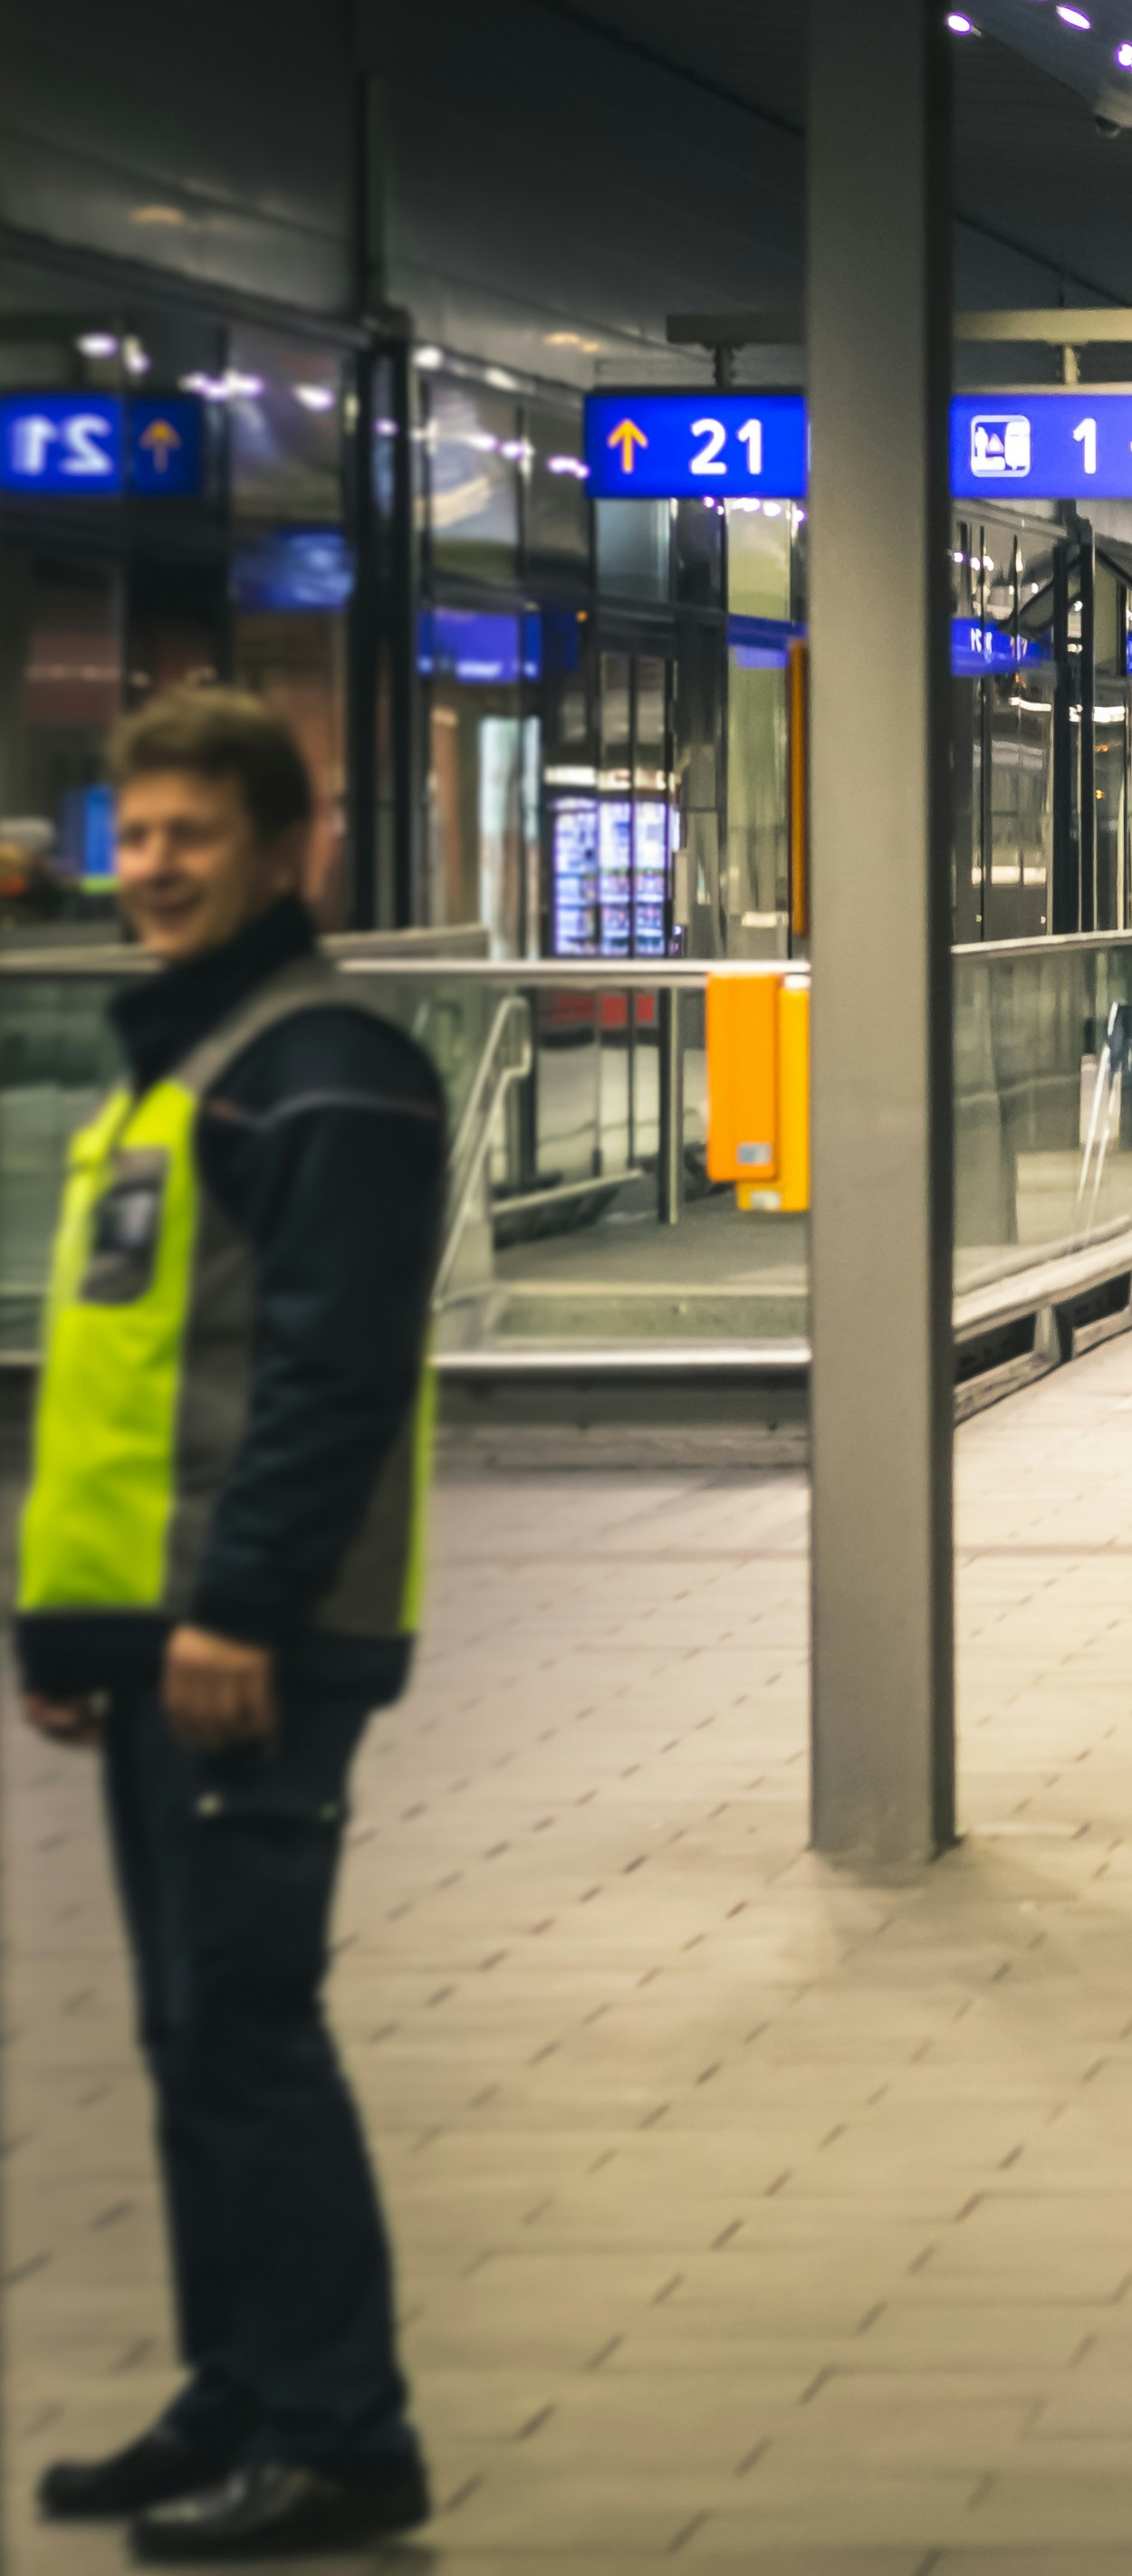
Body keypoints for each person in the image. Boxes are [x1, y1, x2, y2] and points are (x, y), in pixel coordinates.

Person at [18, 689, 447, 2563]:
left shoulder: (326, 1063)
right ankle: (243, 2389)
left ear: (293, 851)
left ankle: (345, 2431)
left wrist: (238, 1607)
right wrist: (69, 1623)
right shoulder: (181, 1064)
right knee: (193, 2028)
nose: (159, 866)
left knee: (250, 2018)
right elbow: (134, 1374)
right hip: (152, 1627)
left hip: (251, 1633)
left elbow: (328, 1373)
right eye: (140, 833)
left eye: (197, 834)